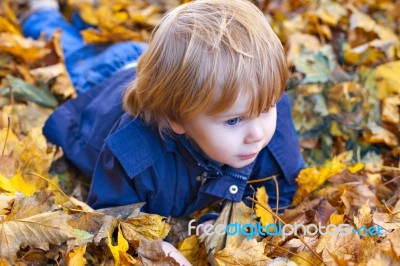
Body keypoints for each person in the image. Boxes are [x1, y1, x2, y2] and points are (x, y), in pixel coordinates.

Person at [23, 0, 304, 219]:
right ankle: (42, 13)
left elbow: (283, 188)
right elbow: (114, 214)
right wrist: (156, 246)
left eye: (267, 108)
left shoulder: (262, 104)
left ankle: (85, 16)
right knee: (68, 46)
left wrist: (224, 221)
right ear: (176, 119)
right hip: (107, 77)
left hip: (173, 74)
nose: (257, 133)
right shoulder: (134, 151)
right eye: (233, 121)